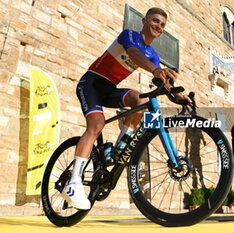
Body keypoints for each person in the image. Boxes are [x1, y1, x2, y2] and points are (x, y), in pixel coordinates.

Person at [62, 7, 192, 210]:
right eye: (155, 21)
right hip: (91, 83)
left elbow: (164, 82)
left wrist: (178, 95)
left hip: (109, 89)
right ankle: (73, 183)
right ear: (144, 21)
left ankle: (120, 147)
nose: (158, 26)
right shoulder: (129, 35)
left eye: (162, 24)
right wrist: (156, 70)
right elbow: (133, 53)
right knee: (97, 124)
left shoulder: (153, 55)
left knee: (140, 100)